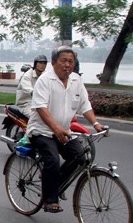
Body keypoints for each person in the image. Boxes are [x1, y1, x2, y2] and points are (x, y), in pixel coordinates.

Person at [25, 46, 104, 213]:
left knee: (81, 157)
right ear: (53, 63)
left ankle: (55, 183)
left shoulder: (76, 80)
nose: (67, 65)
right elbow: (41, 107)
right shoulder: (45, 80)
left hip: (64, 132)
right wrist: (56, 129)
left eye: (71, 61)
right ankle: (49, 199)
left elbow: (85, 105)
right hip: (42, 131)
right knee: (53, 160)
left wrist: (96, 124)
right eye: (63, 61)